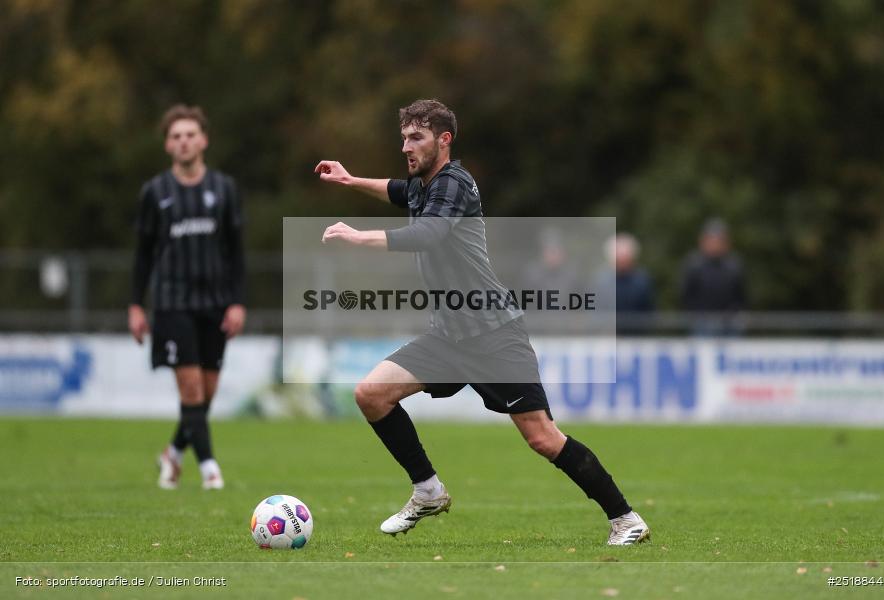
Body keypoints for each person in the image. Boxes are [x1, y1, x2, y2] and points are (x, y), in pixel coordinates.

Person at [314, 99, 648, 545]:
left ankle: (626, 519)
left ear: (444, 140)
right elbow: (394, 190)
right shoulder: (421, 184)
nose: (406, 147)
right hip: (449, 337)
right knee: (371, 395)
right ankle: (428, 490)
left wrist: (359, 237)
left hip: (494, 335)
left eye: (417, 138)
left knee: (544, 439)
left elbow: (427, 236)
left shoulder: (454, 183)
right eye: (404, 139)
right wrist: (350, 179)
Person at [129, 104, 246, 490]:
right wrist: (135, 304)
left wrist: (237, 301)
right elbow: (143, 252)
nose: (183, 141)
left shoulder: (224, 189)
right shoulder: (155, 193)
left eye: (190, 134)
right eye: (176, 136)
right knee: (192, 389)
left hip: (214, 302)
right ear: (167, 145)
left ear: (204, 140)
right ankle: (210, 468)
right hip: (171, 302)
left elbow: (235, 250)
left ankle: (173, 453)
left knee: (206, 393)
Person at [680, 218, 746, 334]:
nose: (715, 244)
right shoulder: (694, 265)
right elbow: (687, 295)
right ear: (703, 241)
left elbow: (741, 295)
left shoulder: (734, 265)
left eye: (719, 240)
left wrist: (733, 314)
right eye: (711, 240)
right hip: (701, 324)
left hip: (729, 324)